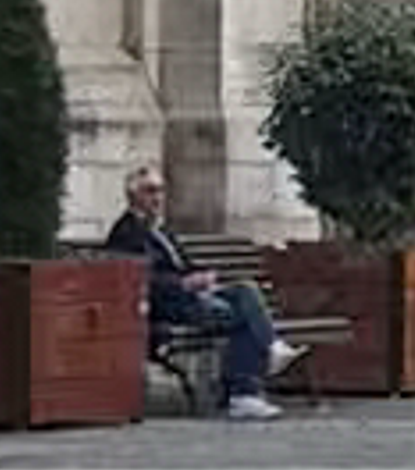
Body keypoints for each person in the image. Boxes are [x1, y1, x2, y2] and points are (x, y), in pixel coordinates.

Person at [106, 162, 288, 417]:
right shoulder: (127, 233)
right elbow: (137, 279)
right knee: (240, 318)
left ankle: (266, 357)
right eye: (150, 191)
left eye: (160, 191)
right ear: (133, 195)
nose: (157, 197)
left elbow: (185, 264)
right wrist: (182, 284)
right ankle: (244, 392)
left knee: (245, 290)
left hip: (190, 296)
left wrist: (203, 275)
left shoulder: (160, 230)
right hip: (166, 307)